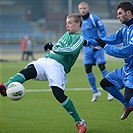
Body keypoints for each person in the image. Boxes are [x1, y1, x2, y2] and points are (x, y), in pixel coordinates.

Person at [0, 13, 87, 133]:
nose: (67, 25)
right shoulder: (67, 34)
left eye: (70, 23)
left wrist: (53, 47)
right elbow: (59, 47)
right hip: (46, 60)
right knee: (27, 71)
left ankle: (80, 122)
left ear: (78, 24)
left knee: (58, 94)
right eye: (66, 23)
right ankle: (5, 86)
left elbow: (71, 51)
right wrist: (53, 47)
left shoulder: (80, 38)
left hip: (58, 67)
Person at [95, 1, 133, 120]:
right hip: (126, 69)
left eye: (120, 13)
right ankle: (128, 106)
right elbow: (111, 39)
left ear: (128, 12)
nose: (117, 16)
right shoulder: (124, 29)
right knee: (105, 83)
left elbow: (124, 52)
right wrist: (89, 42)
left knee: (129, 98)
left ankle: (128, 103)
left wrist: (104, 46)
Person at [78, 2, 114, 102]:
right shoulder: (79, 21)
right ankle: (95, 92)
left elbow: (103, 31)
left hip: (97, 48)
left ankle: (110, 90)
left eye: (84, 8)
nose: (82, 10)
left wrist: (98, 42)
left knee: (102, 67)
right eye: (80, 9)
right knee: (87, 69)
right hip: (87, 49)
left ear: (88, 8)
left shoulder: (94, 19)